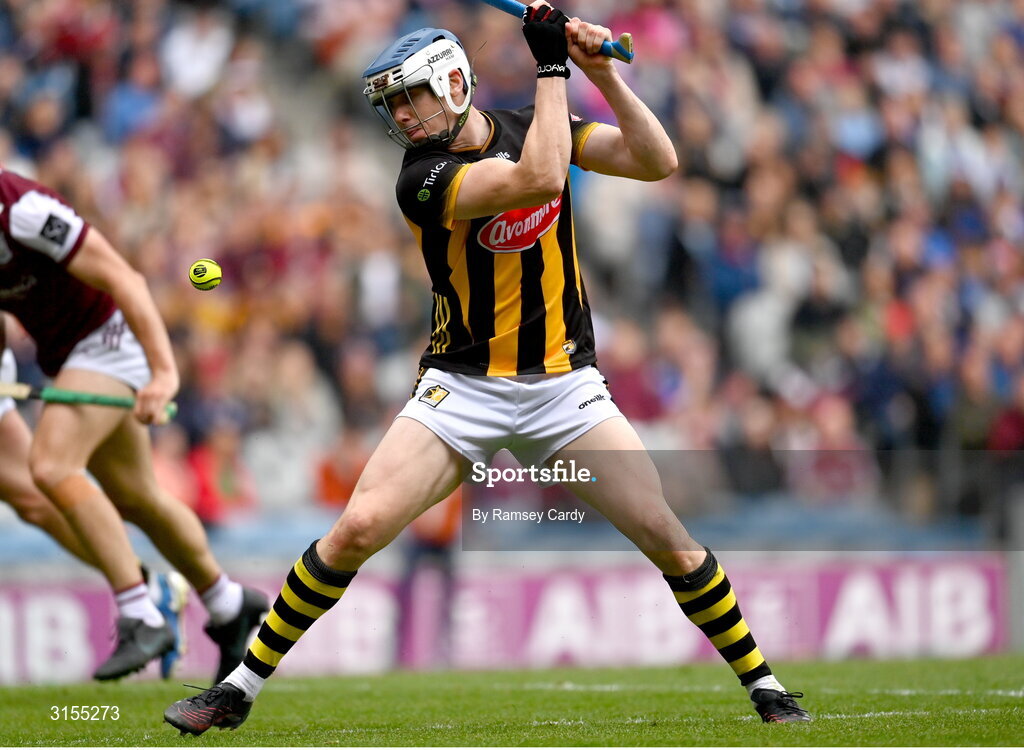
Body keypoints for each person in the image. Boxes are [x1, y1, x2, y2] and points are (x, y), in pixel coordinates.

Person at [164, 2, 810, 733]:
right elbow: (538, 182)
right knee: (357, 528)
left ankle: (765, 685)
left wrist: (601, 76)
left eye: (411, 97)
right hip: (462, 387)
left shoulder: (534, 123)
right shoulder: (422, 177)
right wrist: (553, 65)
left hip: (565, 388)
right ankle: (239, 688)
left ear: (453, 82)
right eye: (392, 105)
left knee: (666, 535)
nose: (403, 117)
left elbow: (658, 161)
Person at [0, 169, 268, 683]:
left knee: (52, 466)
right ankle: (229, 604)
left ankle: (140, 614)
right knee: (135, 495)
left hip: (109, 338)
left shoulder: (24, 210)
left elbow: (126, 279)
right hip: (68, 357)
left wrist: (164, 372)